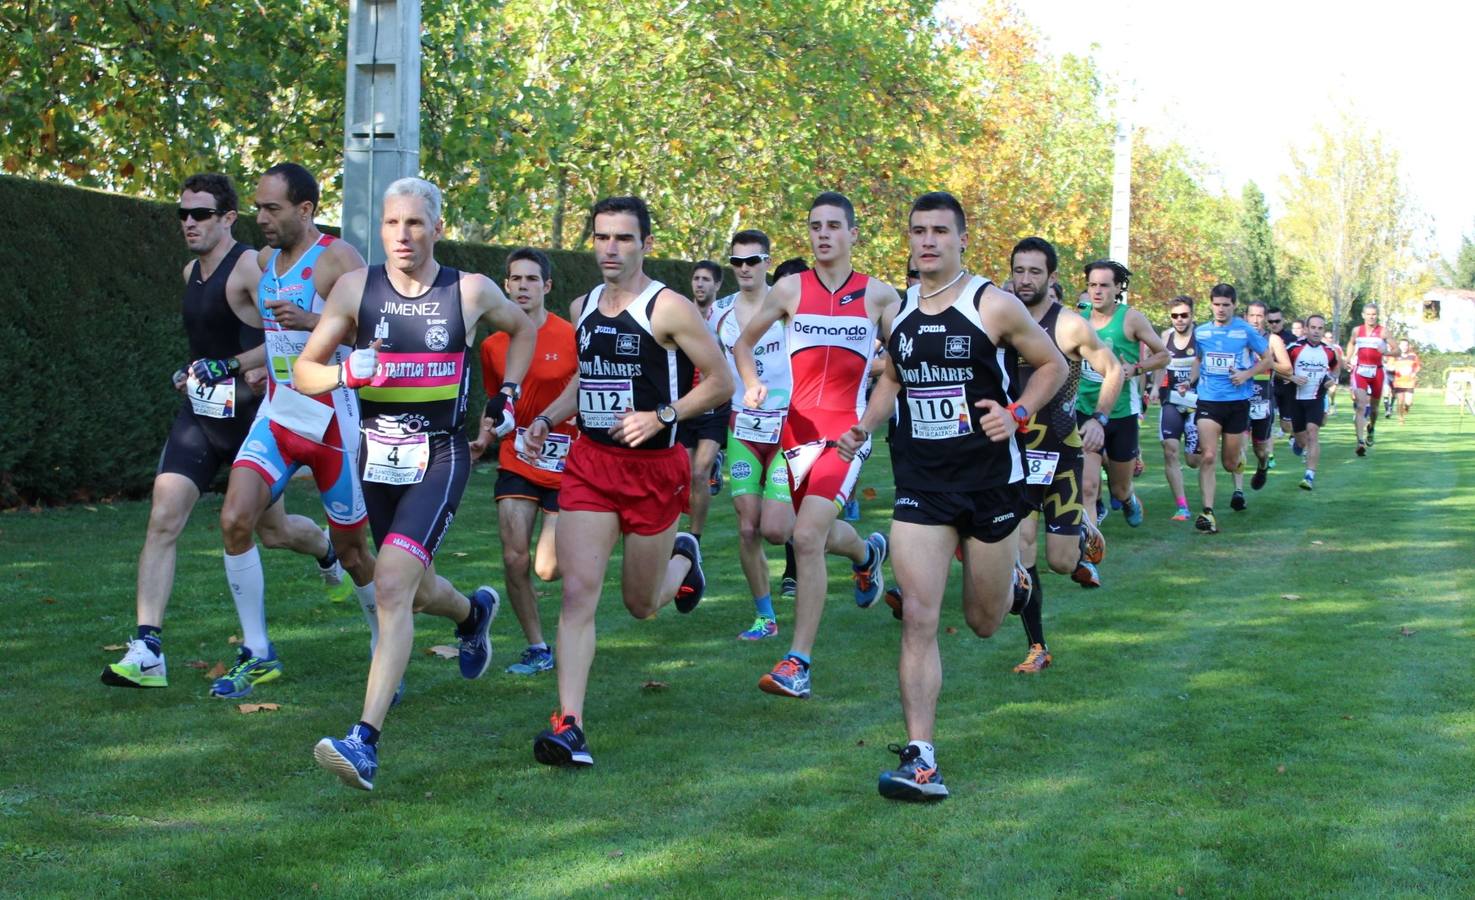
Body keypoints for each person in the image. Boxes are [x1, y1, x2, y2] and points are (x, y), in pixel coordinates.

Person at [296, 177, 535, 790]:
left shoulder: (470, 290)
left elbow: (525, 329)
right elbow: (305, 373)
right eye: (391, 224)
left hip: (440, 454)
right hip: (377, 456)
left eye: (415, 224)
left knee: (392, 584)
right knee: (418, 587)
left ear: (437, 226)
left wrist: (508, 392)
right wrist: (347, 370)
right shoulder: (355, 289)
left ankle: (365, 740)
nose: (402, 236)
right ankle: (471, 613)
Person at [837, 193, 1066, 801]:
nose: (929, 241)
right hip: (922, 487)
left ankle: (1014, 581)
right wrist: (866, 423)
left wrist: (1017, 412)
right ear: (908, 240)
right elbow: (892, 377)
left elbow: (1054, 366)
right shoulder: (900, 310)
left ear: (963, 239)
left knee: (985, 622)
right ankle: (921, 758)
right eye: (918, 231)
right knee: (918, 616)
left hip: (990, 484)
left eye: (941, 231)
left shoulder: (993, 303)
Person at [519, 195, 731, 768]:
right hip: (590, 464)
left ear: (645, 245)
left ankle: (684, 562)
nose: (610, 249)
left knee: (640, 605)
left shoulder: (670, 309)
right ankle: (569, 725)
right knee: (576, 591)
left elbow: (721, 380)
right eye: (601, 237)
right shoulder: (583, 304)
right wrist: (545, 419)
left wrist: (661, 416)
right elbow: (585, 382)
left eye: (623, 239)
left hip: (654, 470)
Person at [102, 173, 320, 690]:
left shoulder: (249, 265)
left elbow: (286, 336)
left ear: (227, 218)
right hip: (202, 416)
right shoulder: (189, 271)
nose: (189, 224)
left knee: (275, 532)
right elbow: (206, 344)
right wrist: (194, 369)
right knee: (163, 519)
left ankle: (330, 551)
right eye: (182, 214)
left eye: (200, 214)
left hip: (253, 419)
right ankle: (148, 648)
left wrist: (240, 365)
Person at [209, 162, 382, 700]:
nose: (260, 217)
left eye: (271, 208)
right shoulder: (267, 262)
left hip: (333, 422)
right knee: (236, 519)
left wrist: (316, 324)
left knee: (355, 555)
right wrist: (239, 365)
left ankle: (385, 653)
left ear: (304, 210)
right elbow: (277, 338)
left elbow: (380, 333)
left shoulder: (338, 259)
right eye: (258, 207)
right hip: (279, 416)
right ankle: (258, 652)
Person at [733, 191, 900, 701]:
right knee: (778, 529)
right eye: (814, 226)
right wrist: (752, 381)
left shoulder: (880, 297)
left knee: (806, 539)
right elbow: (742, 343)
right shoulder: (788, 290)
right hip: (794, 432)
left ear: (853, 234)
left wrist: (865, 426)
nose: (823, 234)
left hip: (844, 436)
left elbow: (899, 370)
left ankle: (797, 663)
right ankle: (867, 552)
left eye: (833, 226)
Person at [1005, 236, 1119, 675]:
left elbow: (1113, 369)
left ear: (1051, 277)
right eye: (1019, 270)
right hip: (1013, 454)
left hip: (1061, 451)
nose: (1026, 279)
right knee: (1024, 549)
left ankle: (1085, 528)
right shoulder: (997, 317)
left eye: (1035, 272)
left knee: (1061, 561)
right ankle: (1038, 647)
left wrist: (1099, 419)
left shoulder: (1068, 325)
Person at [469, 247, 578, 675]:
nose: (523, 286)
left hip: (566, 458)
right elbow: (498, 402)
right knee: (514, 558)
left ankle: (574, 620)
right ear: (506, 285)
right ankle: (537, 647)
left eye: (532, 279)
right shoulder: (495, 345)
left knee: (547, 568)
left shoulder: (570, 335)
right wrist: (482, 438)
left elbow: (584, 395)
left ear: (547, 286)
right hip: (517, 455)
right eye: (515, 279)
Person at [714, 229, 795, 640]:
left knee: (778, 530)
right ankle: (765, 616)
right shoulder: (719, 313)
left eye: (753, 260)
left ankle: (863, 551)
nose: (744, 268)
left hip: (788, 430)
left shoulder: (788, 308)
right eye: (737, 262)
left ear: (767, 262)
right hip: (742, 428)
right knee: (748, 528)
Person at [1075, 260, 1167, 528]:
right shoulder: (1078, 319)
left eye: (1104, 285)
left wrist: (1134, 369)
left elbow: (1163, 356)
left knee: (1119, 489)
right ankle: (1088, 553)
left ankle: (1129, 500)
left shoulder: (1131, 318)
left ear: (1118, 288)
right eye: (1092, 285)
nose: (1097, 291)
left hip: (1121, 413)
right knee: (1088, 487)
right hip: (1085, 410)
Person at [1191, 284, 1273, 533]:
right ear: (1211, 304)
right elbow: (1198, 359)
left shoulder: (1245, 330)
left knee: (1229, 462)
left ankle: (1250, 464)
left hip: (1238, 403)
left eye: (1226, 305)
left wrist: (1246, 373)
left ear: (1234, 306)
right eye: (1217, 304)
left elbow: (1268, 360)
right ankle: (1208, 512)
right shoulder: (1201, 332)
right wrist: (1189, 381)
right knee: (1207, 455)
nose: (1221, 309)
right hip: (1208, 400)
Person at [680, 260, 731, 538]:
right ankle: (687, 531)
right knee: (687, 476)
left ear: (717, 285)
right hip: (686, 405)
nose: (700, 284)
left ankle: (694, 538)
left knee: (700, 473)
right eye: (696, 279)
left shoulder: (725, 318)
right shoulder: (680, 314)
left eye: (706, 280)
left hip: (715, 406)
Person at [1157, 296, 1202, 521]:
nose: (1179, 320)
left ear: (1192, 315)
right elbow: (1159, 363)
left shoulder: (1200, 338)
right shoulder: (1165, 337)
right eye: (1175, 316)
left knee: (1193, 460)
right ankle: (1182, 506)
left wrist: (1190, 382)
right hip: (1172, 401)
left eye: (1184, 315)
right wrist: (1155, 388)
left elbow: (1198, 365)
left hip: (1196, 403)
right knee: (1170, 449)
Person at [1241, 301, 1292, 496]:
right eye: (1252, 315)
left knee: (1260, 449)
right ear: (1246, 316)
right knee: (1239, 447)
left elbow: (1287, 369)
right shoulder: (1238, 338)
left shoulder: (1272, 340)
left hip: (1263, 400)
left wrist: (1267, 363)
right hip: (1240, 399)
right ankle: (1239, 491)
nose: (1255, 320)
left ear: (1265, 319)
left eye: (1259, 316)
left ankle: (1262, 466)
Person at [1286, 314, 1341, 490]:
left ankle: (1309, 475)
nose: (1316, 331)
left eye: (1320, 328)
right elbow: (1277, 368)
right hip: (1295, 399)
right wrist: (1292, 377)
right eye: (1313, 328)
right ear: (1306, 329)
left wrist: (1330, 379)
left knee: (1313, 433)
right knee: (1302, 439)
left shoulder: (1329, 351)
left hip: (1316, 397)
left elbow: (1336, 369)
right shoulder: (1294, 348)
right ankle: (1297, 441)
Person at [1345, 302, 1390, 455]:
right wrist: (1348, 358)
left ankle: (1371, 427)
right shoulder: (1357, 331)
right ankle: (1360, 441)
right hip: (1360, 371)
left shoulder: (1383, 332)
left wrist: (1387, 351)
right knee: (1361, 406)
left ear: (1377, 316)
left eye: (1374, 314)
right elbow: (1351, 344)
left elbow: (1396, 350)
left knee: (1375, 409)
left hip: (1377, 371)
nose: (1371, 317)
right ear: (1363, 315)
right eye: (1368, 314)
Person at [1390, 339, 1421, 424]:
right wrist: (1392, 368)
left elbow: (1417, 366)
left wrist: (1414, 372)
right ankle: (1401, 418)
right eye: (1402, 345)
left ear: (1408, 346)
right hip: (1398, 382)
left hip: (1410, 382)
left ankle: (1406, 408)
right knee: (1400, 401)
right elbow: (1390, 366)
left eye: (1406, 345)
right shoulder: (1395, 356)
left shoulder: (1413, 356)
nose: (1404, 347)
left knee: (1408, 402)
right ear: (1399, 346)